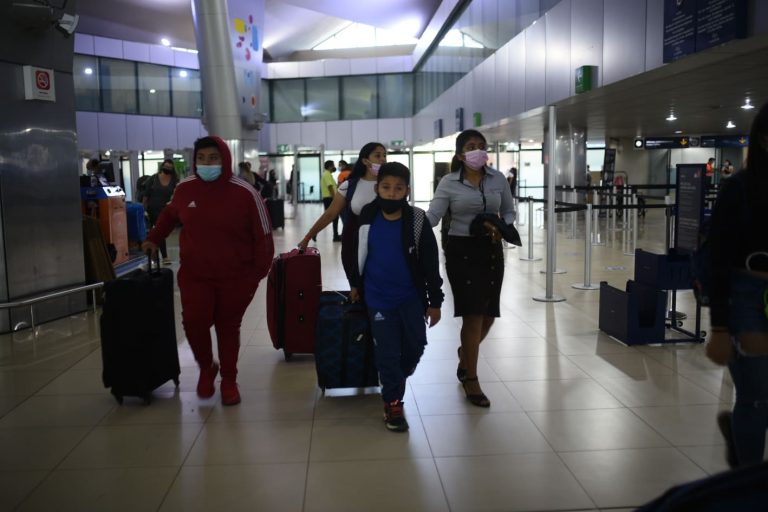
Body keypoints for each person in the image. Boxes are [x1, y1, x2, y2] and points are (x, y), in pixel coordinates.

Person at [141, 136, 274, 406]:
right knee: (193, 321)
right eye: (201, 158)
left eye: (213, 158)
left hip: (236, 277)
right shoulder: (185, 189)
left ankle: (228, 380)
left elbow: (264, 236)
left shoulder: (245, 192)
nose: (207, 163)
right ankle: (206, 367)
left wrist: (255, 276)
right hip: (195, 274)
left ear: (224, 159)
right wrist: (154, 238)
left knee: (227, 327)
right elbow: (169, 215)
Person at [350, 162, 443, 432]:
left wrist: (435, 302)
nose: (392, 193)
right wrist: (356, 283)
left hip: (411, 298)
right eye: (386, 187)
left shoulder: (416, 219)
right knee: (388, 353)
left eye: (398, 188)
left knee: (415, 347)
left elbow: (430, 262)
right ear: (378, 188)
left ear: (407, 191)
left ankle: (395, 379)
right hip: (378, 297)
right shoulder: (368, 214)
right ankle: (393, 402)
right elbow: (357, 251)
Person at [426, 129, 516, 408]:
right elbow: (433, 216)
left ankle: (466, 352)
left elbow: (509, 210)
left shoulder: (498, 179)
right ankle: (471, 378)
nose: (477, 150)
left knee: (489, 313)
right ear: (460, 155)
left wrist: (504, 226)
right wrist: (404, 220)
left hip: (491, 249)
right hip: (461, 251)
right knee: (473, 316)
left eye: (481, 146)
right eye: (471, 146)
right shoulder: (449, 183)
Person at [705, 102, 768, 468]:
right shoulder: (739, 190)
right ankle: (747, 482)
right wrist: (720, 326)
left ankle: (741, 433)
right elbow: (718, 260)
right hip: (747, 294)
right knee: (756, 396)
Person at [298, 142, 387, 290]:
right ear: (365, 161)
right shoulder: (349, 186)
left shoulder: (388, 185)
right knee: (359, 291)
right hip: (354, 248)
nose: (383, 159)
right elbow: (330, 214)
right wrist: (308, 237)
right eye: (377, 156)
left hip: (383, 248)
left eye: (384, 155)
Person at [142, 159, 178, 265]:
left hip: (166, 211)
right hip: (152, 210)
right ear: (162, 166)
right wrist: (143, 210)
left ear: (172, 169)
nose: (167, 169)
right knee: (157, 233)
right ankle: (163, 257)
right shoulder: (153, 178)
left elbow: (176, 195)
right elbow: (146, 195)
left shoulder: (174, 180)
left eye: (169, 168)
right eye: (165, 166)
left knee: (159, 233)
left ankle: (157, 257)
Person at [321, 160, 341, 241]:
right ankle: (335, 236)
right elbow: (330, 187)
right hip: (329, 198)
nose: (334, 167)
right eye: (333, 165)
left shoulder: (327, 174)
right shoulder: (327, 174)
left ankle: (335, 236)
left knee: (332, 218)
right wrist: (334, 198)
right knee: (330, 217)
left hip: (329, 198)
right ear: (330, 166)